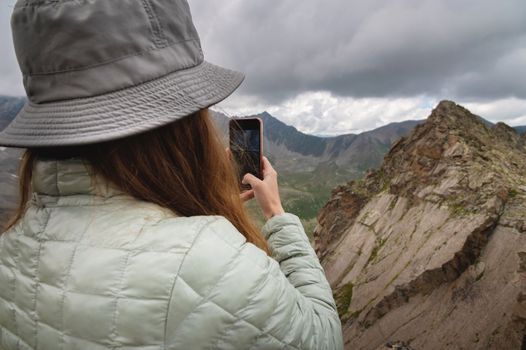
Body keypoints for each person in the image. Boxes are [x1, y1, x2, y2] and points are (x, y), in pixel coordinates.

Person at [0, 0, 344, 349]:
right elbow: (323, 336)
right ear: (181, 127)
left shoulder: (9, 248)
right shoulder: (210, 266)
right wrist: (276, 215)